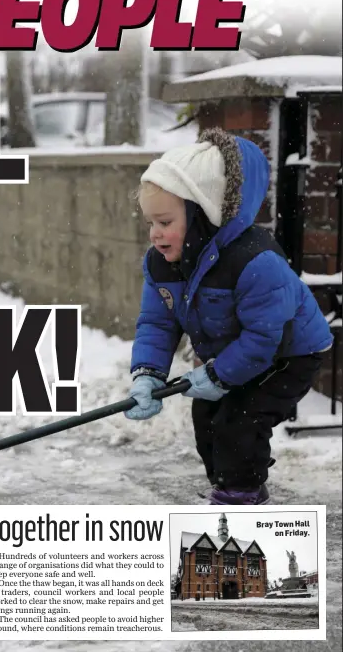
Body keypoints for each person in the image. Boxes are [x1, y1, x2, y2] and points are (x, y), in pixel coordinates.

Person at [124, 127, 333, 506]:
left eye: (165, 222)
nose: (155, 234)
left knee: (240, 419)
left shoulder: (255, 261)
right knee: (206, 416)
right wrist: (147, 375)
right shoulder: (162, 266)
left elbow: (264, 339)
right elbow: (157, 323)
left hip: (289, 354)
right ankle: (230, 485)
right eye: (151, 224)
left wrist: (219, 375)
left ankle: (242, 495)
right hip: (238, 353)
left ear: (204, 215)